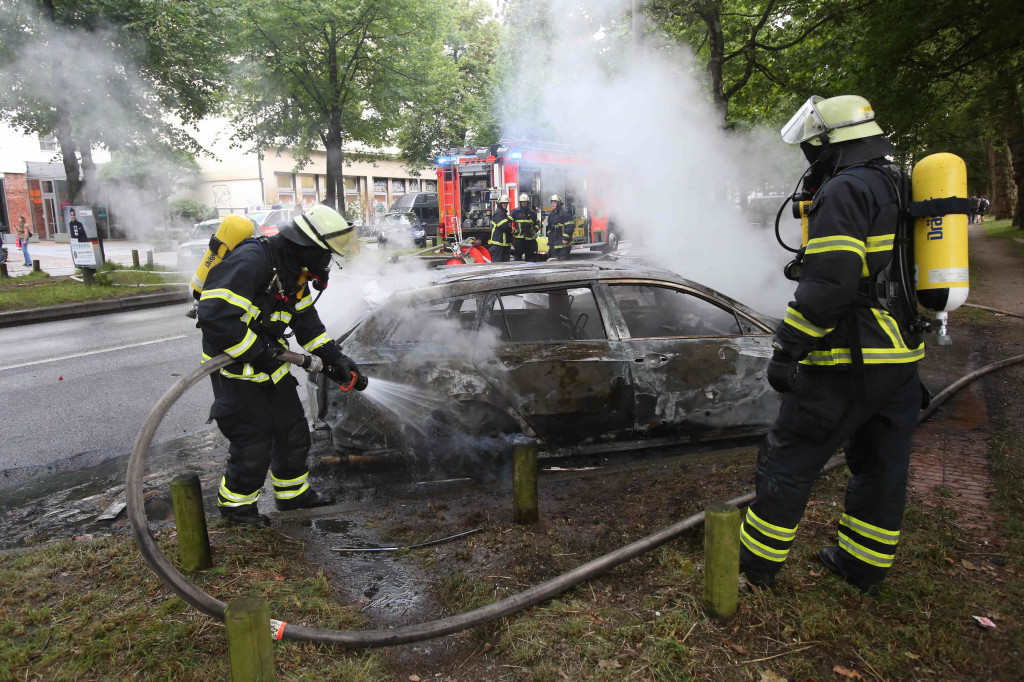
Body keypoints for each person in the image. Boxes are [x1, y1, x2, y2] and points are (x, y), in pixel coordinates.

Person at [742, 95, 926, 595]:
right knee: (880, 468)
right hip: (901, 358)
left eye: (812, 146)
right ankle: (862, 567)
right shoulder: (897, 183)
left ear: (829, 143)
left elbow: (830, 283)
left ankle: (752, 570)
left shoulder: (847, 188)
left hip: (848, 357)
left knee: (790, 459)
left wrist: (788, 349)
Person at [197, 206, 363, 527]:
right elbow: (215, 317)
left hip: (271, 367)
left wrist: (334, 357)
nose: (327, 262)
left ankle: (292, 495)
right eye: (325, 255)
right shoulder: (252, 263)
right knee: (253, 440)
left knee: (293, 431)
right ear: (308, 246)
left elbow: (306, 322)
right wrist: (258, 351)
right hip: (236, 371)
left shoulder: (293, 270)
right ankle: (237, 510)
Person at [511, 192, 539, 262]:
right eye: (522, 201)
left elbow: (538, 224)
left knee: (529, 260)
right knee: (517, 260)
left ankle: (529, 273)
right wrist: (513, 231)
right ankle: (517, 272)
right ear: (520, 202)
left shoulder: (532, 213)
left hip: (529, 240)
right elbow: (507, 223)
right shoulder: (515, 212)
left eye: (525, 201)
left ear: (527, 202)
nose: (523, 203)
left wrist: (534, 231)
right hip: (519, 240)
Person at [546, 194, 574, 261]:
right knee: (553, 262)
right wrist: (550, 239)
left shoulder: (564, 213)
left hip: (563, 245)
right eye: (552, 203)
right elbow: (549, 228)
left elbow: (569, 226)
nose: (553, 204)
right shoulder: (551, 214)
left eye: (555, 202)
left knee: (563, 262)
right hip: (554, 244)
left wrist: (565, 238)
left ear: (558, 203)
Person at [487, 195, 513, 262]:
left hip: (504, 245)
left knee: (505, 267)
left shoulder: (503, 213)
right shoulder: (498, 213)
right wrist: (513, 230)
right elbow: (504, 227)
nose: (505, 205)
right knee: (497, 266)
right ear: (500, 203)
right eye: (503, 203)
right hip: (498, 245)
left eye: (506, 203)